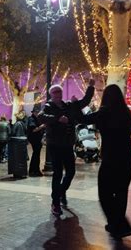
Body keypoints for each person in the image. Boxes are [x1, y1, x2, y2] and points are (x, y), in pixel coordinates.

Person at [81, 84, 131, 239]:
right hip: (127, 156)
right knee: (120, 192)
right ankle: (116, 225)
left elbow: (83, 119)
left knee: (104, 192)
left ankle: (120, 224)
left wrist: (84, 97)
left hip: (111, 157)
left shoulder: (104, 112)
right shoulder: (126, 112)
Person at [39, 80, 94, 216]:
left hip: (68, 144)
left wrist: (91, 87)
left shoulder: (68, 105)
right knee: (57, 173)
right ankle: (55, 202)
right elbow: (40, 117)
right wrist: (57, 118)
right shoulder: (48, 106)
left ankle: (61, 191)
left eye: (59, 92)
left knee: (71, 172)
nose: (58, 94)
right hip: (55, 144)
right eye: (55, 92)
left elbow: (85, 102)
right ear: (51, 94)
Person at [27, 106, 45, 176]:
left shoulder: (36, 118)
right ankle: (33, 170)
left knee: (36, 154)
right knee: (36, 155)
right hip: (34, 139)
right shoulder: (31, 119)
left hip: (37, 139)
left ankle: (35, 170)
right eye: (37, 112)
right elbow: (33, 130)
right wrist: (42, 126)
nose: (38, 113)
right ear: (34, 112)